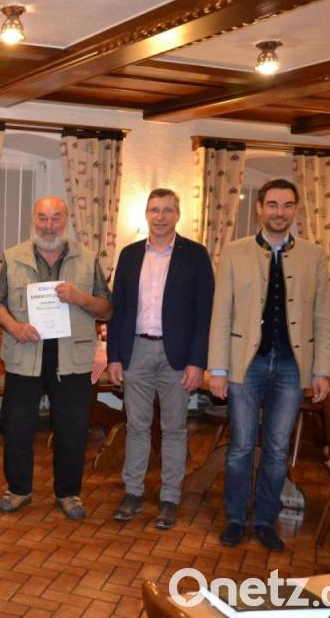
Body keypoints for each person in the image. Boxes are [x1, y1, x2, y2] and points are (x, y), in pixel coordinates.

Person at [209, 178, 330, 552]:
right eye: (273, 205)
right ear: (260, 208)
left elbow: (322, 316)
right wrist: (218, 369)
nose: (280, 212)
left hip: (292, 368)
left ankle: (265, 520)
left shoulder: (315, 255)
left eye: (288, 205)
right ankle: (236, 519)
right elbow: (221, 313)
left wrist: (322, 370)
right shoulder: (234, 252)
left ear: (295, 209)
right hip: (245, 365)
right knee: (240, 447)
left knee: (278, 450)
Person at [0, 196, 112, 520]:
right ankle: (18, 490)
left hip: (71, 355)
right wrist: (14, 326)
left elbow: (107, 308)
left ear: (66, 220)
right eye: (42, 218)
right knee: (16, 425)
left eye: (56, 218)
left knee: (73, 427)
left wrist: (80, 297)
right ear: (34, 219)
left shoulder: (88, 259)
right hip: (25, 351)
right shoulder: (13, 257)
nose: (48, 225)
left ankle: (68, 493)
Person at [106, 189, 214, 529]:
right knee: (137, 427)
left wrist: (197, 362)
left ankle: (169, 498)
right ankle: (133, 493)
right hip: (136, 351)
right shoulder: (129, 255)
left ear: (178, 214)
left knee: (174, 430)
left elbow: (204, 313)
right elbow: (118, 309)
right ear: (146, 214)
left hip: (177, 356)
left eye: (168, 210)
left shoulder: (195, 255)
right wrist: (114, 357)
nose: (160, 216)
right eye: (154, 210)